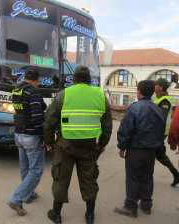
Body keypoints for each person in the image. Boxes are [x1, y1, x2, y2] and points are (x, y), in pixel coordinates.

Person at [43, 65, 112, 224]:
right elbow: (107, 124)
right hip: (90, 146)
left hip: (66, 145)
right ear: (90, 80)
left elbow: (49, 121)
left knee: (61, 177)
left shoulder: (63, 95)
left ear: (73, 80)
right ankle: (89, 215)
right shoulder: (100, 95)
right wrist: (103, 143)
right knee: (89, 179)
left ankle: (56, 213)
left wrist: (49, 141)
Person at [115, 80, 165, 218]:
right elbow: (161, 130)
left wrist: (122, 146)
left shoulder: (134, 108)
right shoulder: (158, 109)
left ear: (139, 91)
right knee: (147, 177)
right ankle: (146, 205)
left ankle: (130, 206)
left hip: (136, 150)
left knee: (133, 178)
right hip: (151, 151)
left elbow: (126, 130)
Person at [9, 70, 47, 216]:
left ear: (25, 78)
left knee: (25, 168)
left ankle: (29, 194)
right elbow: (37, 117)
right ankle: (17, 199)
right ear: (38, 79)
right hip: (31, 136)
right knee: (36, 170)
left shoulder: (16, 90)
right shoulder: (33, 93)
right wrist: (43, 137)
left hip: (18, 134)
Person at [154, 78, 179, 186]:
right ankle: (176, 174)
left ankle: (145, 177)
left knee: (154, 153)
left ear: (160, 87)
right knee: (159, 154)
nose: (154, 86)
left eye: (155, 85)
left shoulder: (164, 100)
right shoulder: (158, 98)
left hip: (160, 132)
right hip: (157, 132)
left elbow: (161, 118)